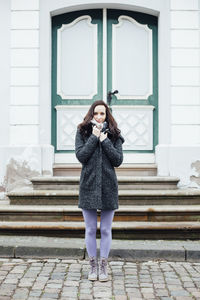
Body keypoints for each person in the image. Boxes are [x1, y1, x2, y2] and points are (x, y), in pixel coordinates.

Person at [75, 100, 124, 281]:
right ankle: (93, 264)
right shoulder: (83, 132)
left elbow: (117, 160)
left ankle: (104, 264)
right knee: (89, 229)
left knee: (105, 229)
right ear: (91, 115)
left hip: (108, 185)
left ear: (107, 115)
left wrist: (104, 140)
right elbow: (81, 156)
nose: (99, 117)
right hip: (88, 184)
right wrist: (94, 137)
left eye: (102, 114)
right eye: (96, 113)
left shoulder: (114, 135)